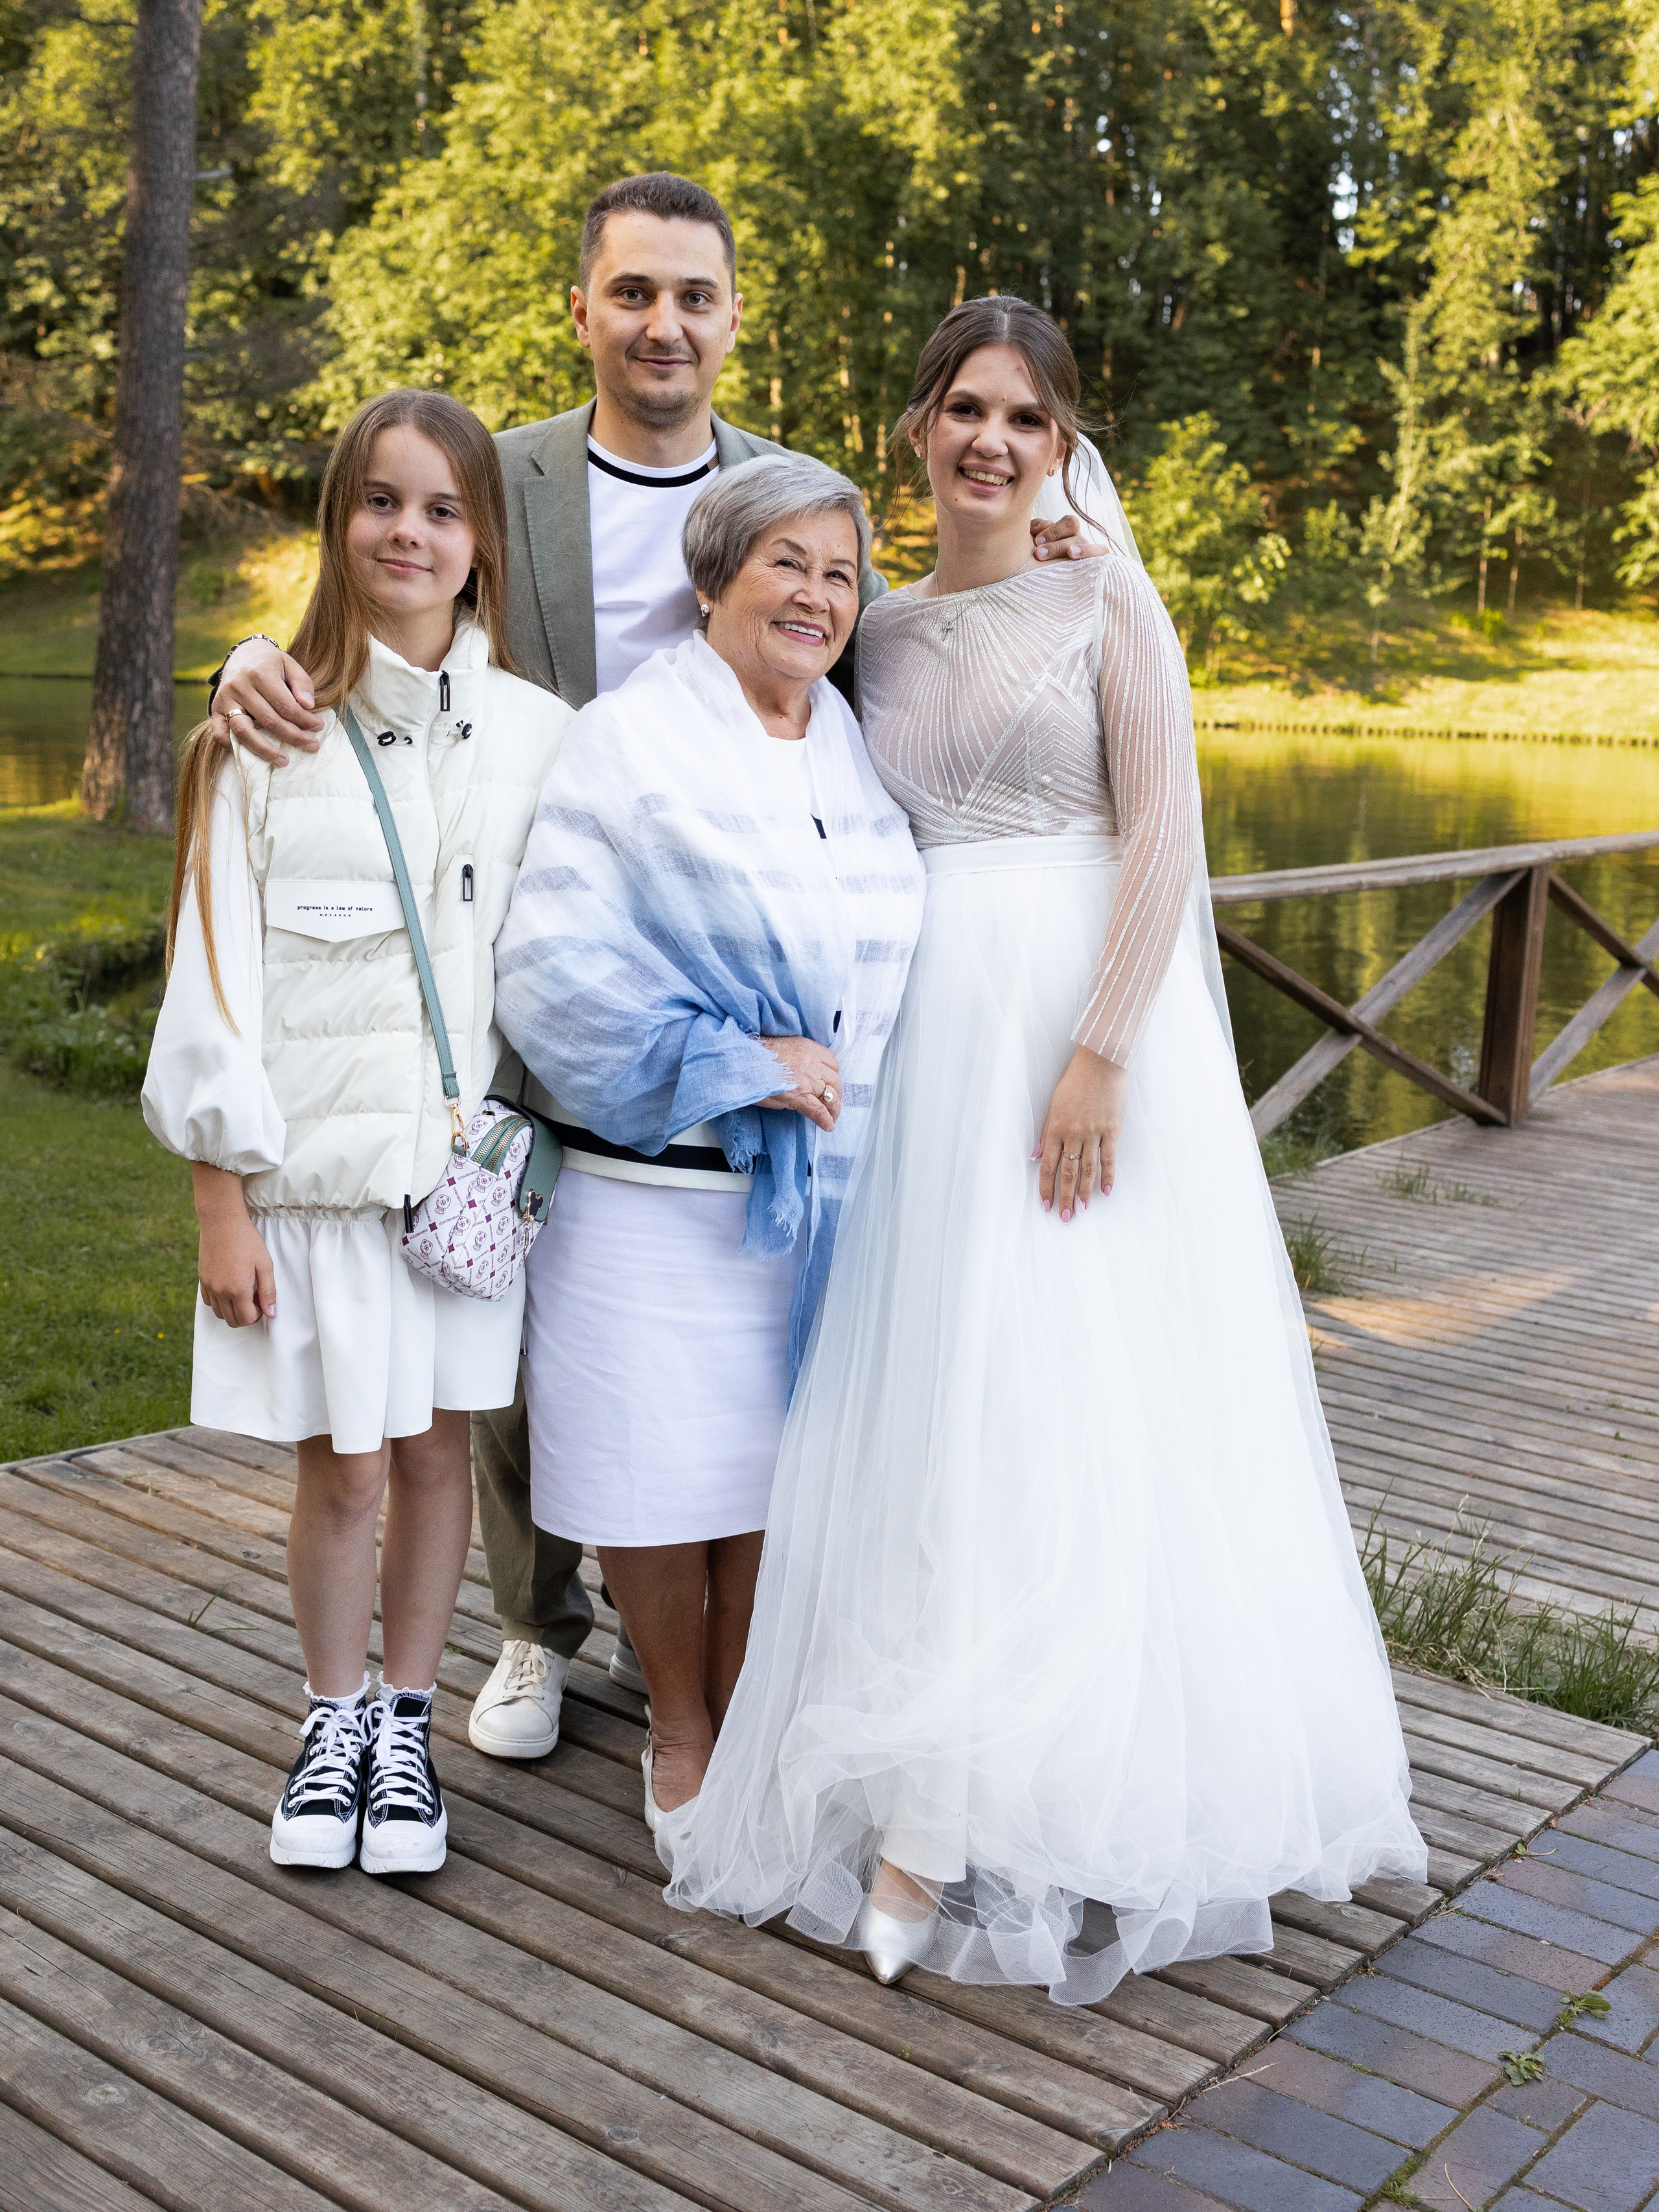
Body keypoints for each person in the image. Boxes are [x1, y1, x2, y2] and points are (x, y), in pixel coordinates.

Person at [203, 173, 1100, 1764]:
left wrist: (1044, 543)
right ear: (585, 310)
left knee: (683, 1357)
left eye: (694, 296)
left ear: (731, 318)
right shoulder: (508, 473)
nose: (663, 323)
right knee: (515, 1313)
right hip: (524, 921)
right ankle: (535, 1625)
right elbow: (390, 598)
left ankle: (711, 1657)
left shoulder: (792, 502)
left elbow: (873, 673)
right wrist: (257, 659)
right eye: (633, 293)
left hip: (744, 959)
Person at [660, 297, 1427, 2002]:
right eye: (961, 409)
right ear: (918, 426)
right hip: (928, 1052)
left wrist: (1099, 1049)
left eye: (1024, 414)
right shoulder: (873, 622)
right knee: (941, 1402)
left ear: (1061, 440)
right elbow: (716, 712)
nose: (991, 440)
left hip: (1079, 1047)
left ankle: (1034, 1792)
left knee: (1084, 1403)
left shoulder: (1107, 599)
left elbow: (1167, 836)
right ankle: (933, 1776)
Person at [143, 391, 569, 1875]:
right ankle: (329, 1719)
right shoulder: (261, 732)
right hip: (315, 1188)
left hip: (454, 1190)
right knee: (343, 1464)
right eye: (381, 502)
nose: (409, 532)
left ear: (480, 544)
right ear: (338, 525)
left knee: (440, 1451)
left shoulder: (539, 739)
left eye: (442, 509)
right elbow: (213, 980)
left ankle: (406, 1723)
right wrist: (219, 1198)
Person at [493, 454, 925, 1826]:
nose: (814, 594)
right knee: (652, 1477)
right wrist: (739, 1063)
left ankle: (740, 1723)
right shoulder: (630, 738)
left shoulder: (845, 744)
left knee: (763, 1486)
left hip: (810, 1205)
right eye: (786, 562)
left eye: (840, 572)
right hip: (652, 1191)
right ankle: (676, 1725)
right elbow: (550, 971)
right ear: (713, 579)